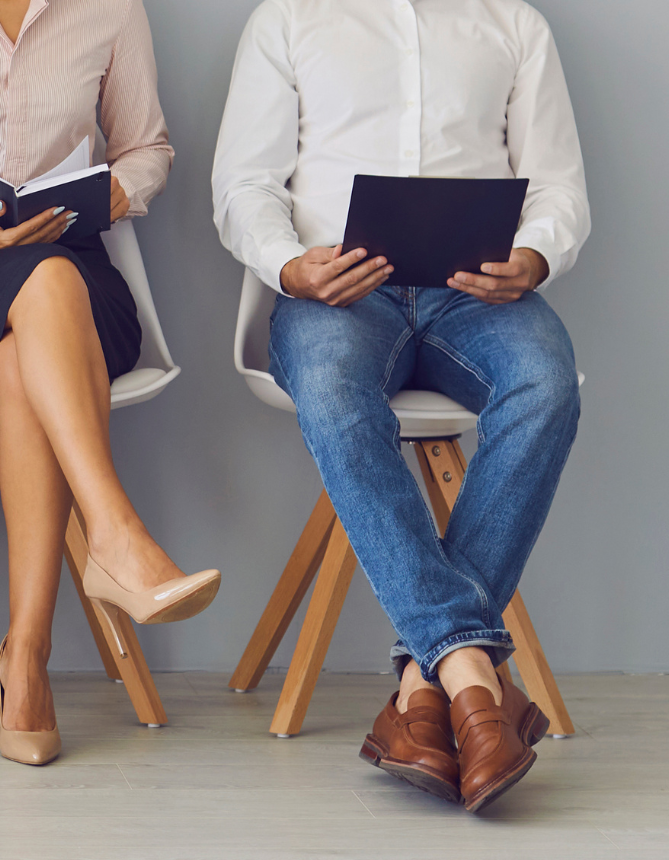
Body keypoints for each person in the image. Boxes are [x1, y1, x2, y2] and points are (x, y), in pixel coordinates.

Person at [213, 0, 587, 813]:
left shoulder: (512, 23)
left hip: (476, 296)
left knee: (548, 387)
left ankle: (429, 684)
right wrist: (289, 266)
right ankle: (473, 680)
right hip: (339, 295)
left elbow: (559, 184)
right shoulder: (288, 18)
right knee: (340, 403)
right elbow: (243, 183)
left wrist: (534, 254)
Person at [0, 0, 219, 767]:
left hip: (77, 277)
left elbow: (146, 147)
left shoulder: (110, 8)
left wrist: (116, 193)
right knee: (33, 306)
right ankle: (115, 537)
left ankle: (25, 656)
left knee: (26, 348)